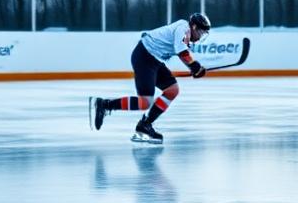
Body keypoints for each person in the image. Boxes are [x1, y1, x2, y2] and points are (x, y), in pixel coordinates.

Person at [90, 12, 211, 143]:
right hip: (145, 56)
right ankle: (104, 105)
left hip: (154, 60)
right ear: (194, 27)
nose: (201, 36)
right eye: (201, 32)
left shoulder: (186, 34)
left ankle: (145, 125)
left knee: (172, 90)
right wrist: (194, 66)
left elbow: (184, 53)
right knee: (145, 102)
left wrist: (195, 67)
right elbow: (182, 52)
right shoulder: (183, 28)